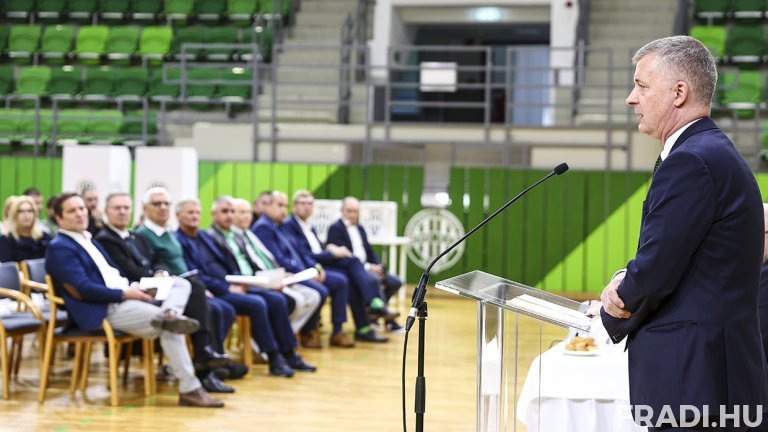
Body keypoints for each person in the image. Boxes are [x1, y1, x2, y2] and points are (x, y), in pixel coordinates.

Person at [599, 36, 768, 430]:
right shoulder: (711, 151)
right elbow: (689, 258)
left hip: (695, 381)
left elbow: (656, 269)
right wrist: (627, 278)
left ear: (679, 92)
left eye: (642, 86)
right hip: (713, 375)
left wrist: (614, 305)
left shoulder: (691, 160)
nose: (631, 98)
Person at [44, 193, 224, 408]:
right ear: (59, 218)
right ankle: (190, 389)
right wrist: (124, 293)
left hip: (125, 293)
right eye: (72, 211)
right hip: (105, 307)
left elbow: (114, 275)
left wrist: (135, 286)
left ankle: (171, 312)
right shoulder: (60, 247)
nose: (80, 214)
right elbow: (82, 290)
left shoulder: (88, 240)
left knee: (182, 283)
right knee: (169, 327)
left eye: (82, 208)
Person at [95, 192, 238, 393]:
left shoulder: (134, 236)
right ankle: (203, 361)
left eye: (126, 208)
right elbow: (127, 270)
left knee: (194, 288)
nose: (122, 212)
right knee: (198, 295)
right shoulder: (105, 239)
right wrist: (154, 277)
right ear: (106, 211)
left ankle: (203, 357)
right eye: (117, 208)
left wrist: (160, 272)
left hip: (153, 286)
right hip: (137, 292)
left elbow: (156, 260)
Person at [175, 198, 316, 377]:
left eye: (197, 212)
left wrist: (245, 281)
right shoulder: (184, 238)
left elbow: (228, 265)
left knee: (277, 300)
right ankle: (273, 356)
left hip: (233, 283)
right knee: (257, 303)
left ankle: (288, 352)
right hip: (217, 289)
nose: (195, 216)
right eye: (190, 212)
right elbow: (195, 274)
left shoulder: (203, 236)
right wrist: (227, 287)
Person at [133, 187, 247, 381]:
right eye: (157, 203)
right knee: (213, 309)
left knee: (224, 308)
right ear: (145, 208)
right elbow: (149, 266)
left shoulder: (168, 233)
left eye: (166, 203)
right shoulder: (142, 235)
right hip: (167, 292)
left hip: (187, 286)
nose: (163, 207)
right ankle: (205, 366)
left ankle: (213, 360)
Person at [283, 190, 397, 341]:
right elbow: (304, 254)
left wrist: (328, 249)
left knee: (353, 278)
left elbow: (368, 250)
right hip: (311, 267)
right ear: (294, 206)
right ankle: (370, 306)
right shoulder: (291, 226)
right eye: (302, 203)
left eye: (310, 203)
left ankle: (361, 328)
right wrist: (333, 254)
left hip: (322, 263)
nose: (306, 207)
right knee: (351, 267)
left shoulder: (310, 226)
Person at [231, 198, 322, 337]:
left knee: (313, 296)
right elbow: (252, 267)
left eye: (248, 212)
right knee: (295, 300)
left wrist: (280, 274)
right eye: (242, 212)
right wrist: (275, 276)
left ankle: (284, 335)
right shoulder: (258, 228)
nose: (247, 216)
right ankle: (278, 338)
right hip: (259, 280)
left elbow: (270, 258)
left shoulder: (250, 233)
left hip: (274, 276)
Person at [326, 196, 404, 332]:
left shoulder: (360, 228)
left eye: (355, 211)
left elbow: (369, 250)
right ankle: (386, 318)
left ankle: (375, 314)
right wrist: (368, 267)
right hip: (355, 270)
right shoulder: (335, 228)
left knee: (395, 282)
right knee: (373, 280)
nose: (352, 215)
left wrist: (379, 266)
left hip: (369, 267)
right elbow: (344, 258)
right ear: (342, 211)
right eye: (349, 211)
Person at [0, 195, 52, 262]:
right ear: (14, 214)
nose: (26, 215)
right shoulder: (6, 240)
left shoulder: (44, 237)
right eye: (21, 211)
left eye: (30, 211)